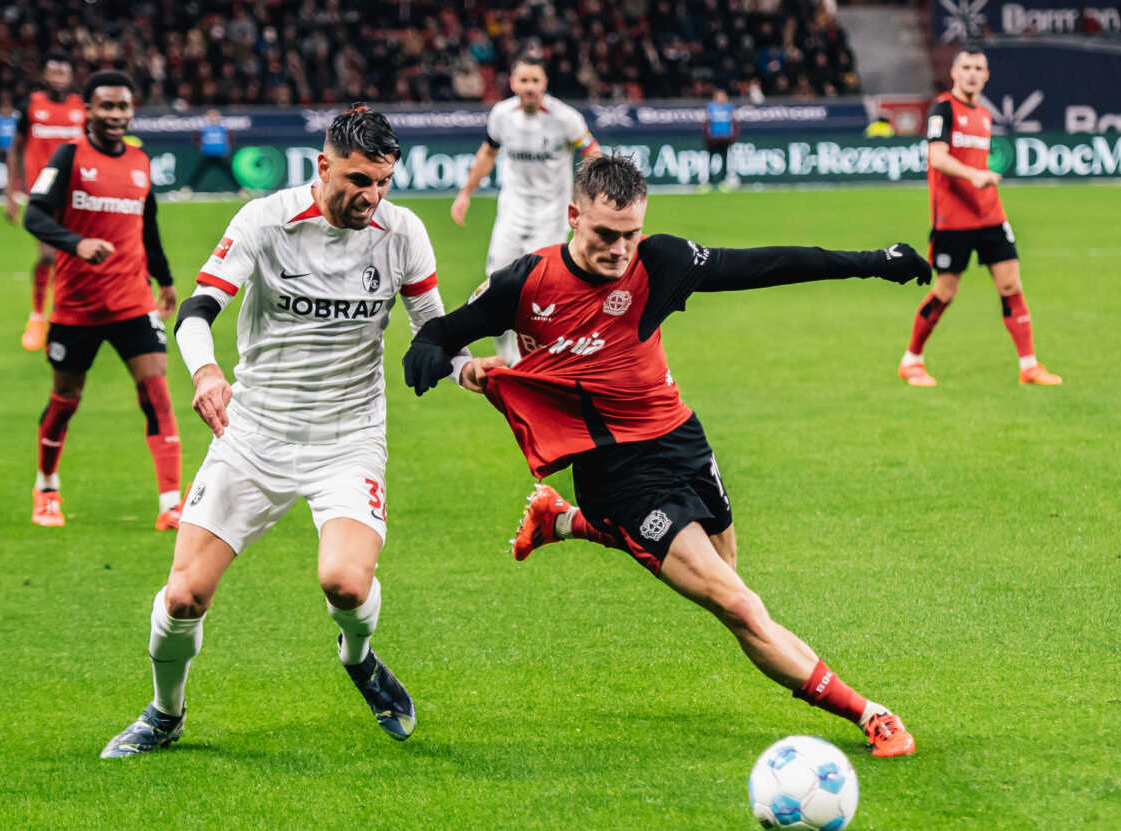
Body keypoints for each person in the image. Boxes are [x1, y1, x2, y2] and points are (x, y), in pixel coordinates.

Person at [403, 155, 930, 758]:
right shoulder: (528, 283)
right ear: (574, 217)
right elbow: (452, 327)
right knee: (738, 606)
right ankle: (871, 715)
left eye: (630, 234)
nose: (619, 250)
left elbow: (766, 264)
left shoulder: (660, 261)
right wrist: (432, 348)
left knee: (731, 575)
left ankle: (566, 520)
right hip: (615, 471)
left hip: (681, 438)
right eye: (604, 235)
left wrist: (874, 264)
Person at [100, 106, 468, 758]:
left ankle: (358, 658)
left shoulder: (402, 231)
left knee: (346, 583)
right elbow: (195, 312)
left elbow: (435, 325)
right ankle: (164, 712)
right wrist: (207, 370)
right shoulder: (265, 221)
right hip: (254, 433)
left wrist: (459, 362)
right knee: (184, 595)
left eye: (383, 181)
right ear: (322, 165)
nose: (372, 196)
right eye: (359, 179)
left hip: (348, 437)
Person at [21, 70, 181, 530]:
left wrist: (165, 279)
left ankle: (171, 503)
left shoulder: (140, 162)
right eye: (106, 107)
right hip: (77, 306)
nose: (115, 115)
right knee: (66, 398)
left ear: (132, 112)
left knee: (157, 394)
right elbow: (34, 214)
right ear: (87, 110)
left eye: (122, 107)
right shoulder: (70, 156)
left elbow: (147, 225)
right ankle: (46, 488)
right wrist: (76, 243)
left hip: (133, 300)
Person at [899, 49, 1062, 387]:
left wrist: (980, 177)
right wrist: (973, 174)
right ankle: (912, 359)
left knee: (1010, 284)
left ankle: (1029, 365)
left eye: (978, 68)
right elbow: (937, 157)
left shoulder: (985, 116)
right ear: (954, 73)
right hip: (952, 219)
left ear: (986, 76)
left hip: (989, 214)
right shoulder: (942, 109)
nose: (972, 74)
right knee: (945, 291)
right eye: (966, 68)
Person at [450, 56, 601, 364]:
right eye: (524, 81)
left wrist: (587, 203)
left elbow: (593, 154)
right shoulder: (501, 115)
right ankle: (508, 361)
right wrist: (465, 193)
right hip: (511, 214)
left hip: (551, 216)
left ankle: (538, 360)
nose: (529, 87)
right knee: (494, 285)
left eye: (535, 81)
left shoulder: (566, 118)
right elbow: (488, 153)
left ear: (545, 83)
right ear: (513, 83)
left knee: (539, 292)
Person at [5, 53, 86, 352]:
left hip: (77, 193)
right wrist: (10, 192)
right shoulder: (30, 106)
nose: (57, 77)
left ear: (70, 76)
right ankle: (37, 316)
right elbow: (15, 148)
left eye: (62, 72)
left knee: (76, 259)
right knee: (49, 256)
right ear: (44, 75)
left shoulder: (82, 108)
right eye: (52, 72)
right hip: (41, 192)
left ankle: (65, 316)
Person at [182, 109, 241, 194]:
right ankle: (188, 188)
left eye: (215, 116)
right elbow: (196, 140)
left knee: (230, 173)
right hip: (208, 155)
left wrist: (226, 148)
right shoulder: (204, 129)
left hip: (220, 155)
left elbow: (230, 140)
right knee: (198, 173)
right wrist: (200, 146)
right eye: (211, 116)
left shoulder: (223, 129)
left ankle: (241, 189)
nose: (213, 118)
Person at [700, 88, 739, 192]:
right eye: (720, 96)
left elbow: (733, 123)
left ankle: (723, 182)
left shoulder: (729, 107)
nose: (722, 98)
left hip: (725, 139)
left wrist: (732, 137)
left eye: (723, 96)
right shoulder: (711, 107)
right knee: (710, 161)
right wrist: (708, 137)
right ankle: (709, 182)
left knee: (725, 161)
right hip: (713, 139)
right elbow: (706, 123)